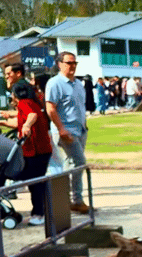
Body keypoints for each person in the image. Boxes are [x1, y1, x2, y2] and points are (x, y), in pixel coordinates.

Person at [0, 82, 53, 226]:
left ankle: (38, 213)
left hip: (36, 151)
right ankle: (39, 212)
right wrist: (3, 123)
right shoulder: (31, 102)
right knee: (35, 182)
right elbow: (20, 120)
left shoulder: (25, 103)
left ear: (16, 94)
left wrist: (27, 125)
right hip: (40, 150)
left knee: (32, 181)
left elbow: (32, 115)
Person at [45, 51, 91, 214]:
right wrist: (61, 129)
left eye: (74, 63)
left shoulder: (78, 84)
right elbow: (50, 108)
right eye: (68, 63)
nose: (72, 66)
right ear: (60, 64)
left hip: (80, 129)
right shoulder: (55, 83)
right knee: (79, 162)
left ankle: (65, 199)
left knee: (70, 164)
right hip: (65, 130)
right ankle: (76, 200)